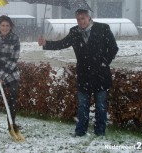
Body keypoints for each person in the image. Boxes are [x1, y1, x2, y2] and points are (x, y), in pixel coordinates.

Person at [38, 9, 118, 137]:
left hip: (101, 74)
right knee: (82, 106)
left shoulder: (103, 28)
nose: (81, 21)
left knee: (101, 106)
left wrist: (104, 63)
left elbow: (113, 48)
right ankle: (81, 131)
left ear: (89, 18)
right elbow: (62, 43)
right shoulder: (74, 31)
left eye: (83, 18)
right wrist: (46, 43)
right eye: (78, 19)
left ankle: (100, 131)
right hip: (83, 74)